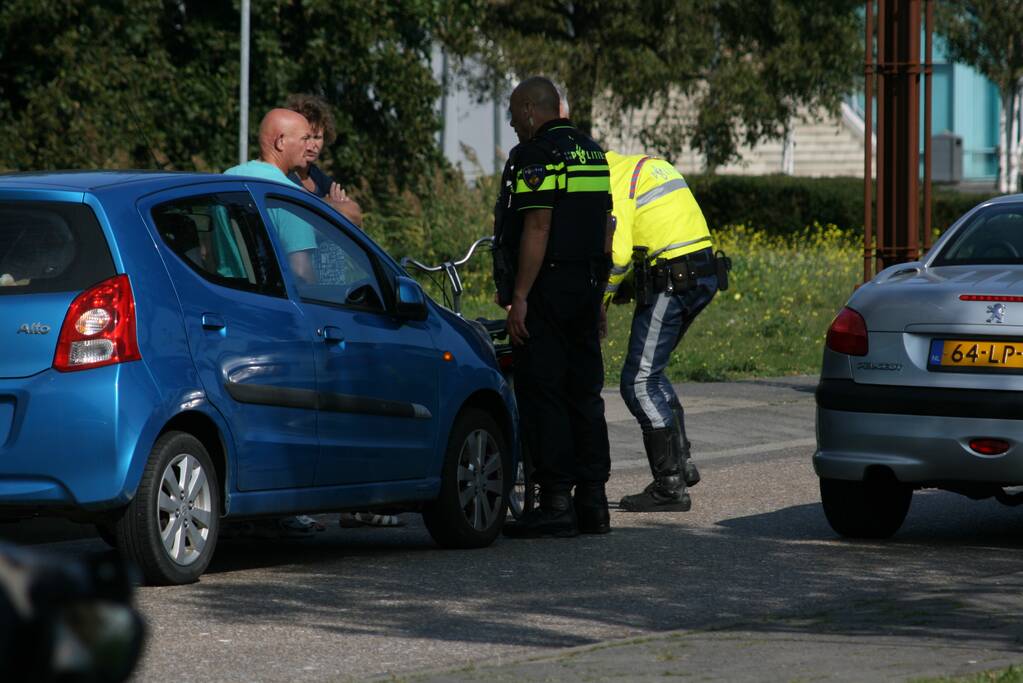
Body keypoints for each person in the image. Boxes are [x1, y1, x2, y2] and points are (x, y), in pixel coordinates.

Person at [495, 76, 614, 539]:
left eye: (512, 112)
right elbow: (606, 226)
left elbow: (538, 227)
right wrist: (600, 294)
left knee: (544, 391)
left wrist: (520, 296)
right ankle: (594, 502)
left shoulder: (537, 155)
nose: (510, 121)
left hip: (548, 287)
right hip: (586, 285)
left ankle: (556, 503)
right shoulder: (591, 150)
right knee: (584, 392)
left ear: (529, 109)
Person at [604, 151, 727, 512]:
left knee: (638, 382)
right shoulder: (644, 165)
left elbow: (618, 255)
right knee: (652, 373)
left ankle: (669, 485)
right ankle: (682, 463)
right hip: (702, 272)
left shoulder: (610, 181)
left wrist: (602, 301)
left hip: (674, 279)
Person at [284, 93, 363, 227]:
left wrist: (329, 204)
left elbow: (354, 213)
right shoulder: (285, 175)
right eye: (306, 138)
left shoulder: (316, 175)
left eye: (317, 137)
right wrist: (331, 204)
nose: (312, 145)